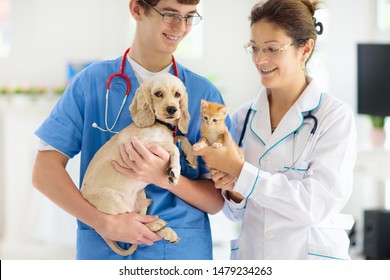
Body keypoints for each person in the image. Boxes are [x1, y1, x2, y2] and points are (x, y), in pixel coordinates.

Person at [32, 0, 229, 260]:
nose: (180, 27)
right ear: (137, 9)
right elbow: (44, 172)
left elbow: (216, 201)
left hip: (179, 251)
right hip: (105, 249)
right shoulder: (91, 83)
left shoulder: (204, 94)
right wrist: (102, 221)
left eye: (189, 16)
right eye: (170, 14)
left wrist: (165, 177)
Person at [194, 0, 357, 260]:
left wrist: (239, 170)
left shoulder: (334, 117)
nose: (260, 60)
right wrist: (233, 190)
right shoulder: (242, 118)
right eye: (254, 48)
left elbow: (316, 206)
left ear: (304, 49)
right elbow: (234, 212)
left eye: (272, 48)